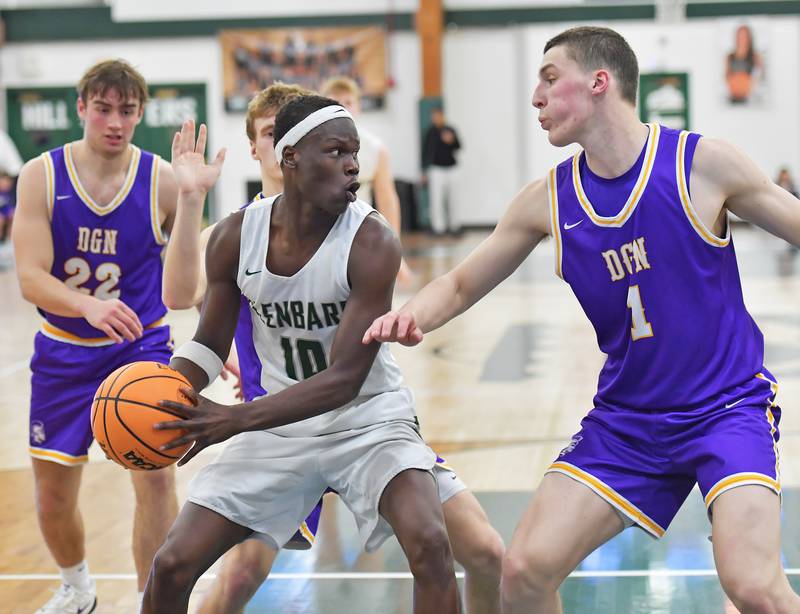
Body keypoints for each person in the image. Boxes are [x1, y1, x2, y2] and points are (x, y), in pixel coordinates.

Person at [364, 26, 800, 614]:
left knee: (753, 587)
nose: (535, 98)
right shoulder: (547, 199)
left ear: (599, 82)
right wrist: (410, 314)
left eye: (549, 79)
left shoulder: (702, 164)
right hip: (628, 421)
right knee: (524, 571)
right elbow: (463, 282)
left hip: (725, 407)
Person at [162, 83, 503, 614]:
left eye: (355, 155)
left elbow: (345, 379)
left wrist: (233, 418)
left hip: (367, 421)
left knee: (433, 544)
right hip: (277, 430)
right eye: (337, 152)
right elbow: (208, 344)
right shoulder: (235, 236)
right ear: (289, 158)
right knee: (172, 564)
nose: (352, 167)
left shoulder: (372, 241)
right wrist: (165, 392)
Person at [12, 59, 182, 613]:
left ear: (139, 115)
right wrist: (86, 305)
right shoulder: (42, 174)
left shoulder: (162, 180)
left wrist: (222, 344)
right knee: (53, 490)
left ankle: (149, 600)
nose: (115, 121)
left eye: (127, 111)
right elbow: (30, 276)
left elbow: (195, 274)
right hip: (63, 351)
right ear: (82, 107)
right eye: (104, 109)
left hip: (141, 346)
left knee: (155, 478)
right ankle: (77, 588)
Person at [320, 76, 413, 284]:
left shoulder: (375, 148)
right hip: (319, 236)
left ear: (358, 107)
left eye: (348, 102)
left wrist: (395, 250)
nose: (341, 108)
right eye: (334, 103)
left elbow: (387, 199)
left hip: (359, 233)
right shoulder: (311, 148)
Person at [422, 107, 461, 235]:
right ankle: (438, 227)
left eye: (438, 115)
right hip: (436, 169)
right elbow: (425, 152)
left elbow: (459, 146)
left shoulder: (450, 130)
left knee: (453, 198)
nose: (436, 118)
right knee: (436, 199)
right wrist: (424, 171)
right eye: (434, 116)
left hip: (451, 168)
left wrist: (451, 140)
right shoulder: (430, 132)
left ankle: (454, 226)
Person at [725, 24, 763, 105]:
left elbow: (758, 76)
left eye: (745, 35)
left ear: (749, 37)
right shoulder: (729, 57)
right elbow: (726, 76)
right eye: (740, 35)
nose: (742, 38)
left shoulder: (755, 57)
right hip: (732, 98)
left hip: (749, 99)